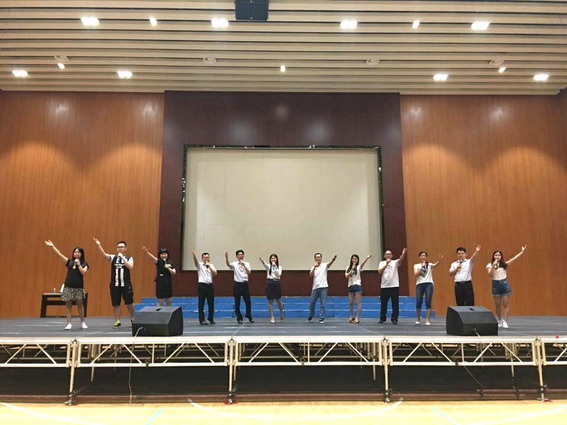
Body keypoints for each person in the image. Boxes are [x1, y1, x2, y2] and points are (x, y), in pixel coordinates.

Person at [44, 240, 89, 330]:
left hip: (79, 287)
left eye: (78, 252)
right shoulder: (69, 262)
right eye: (75, 252)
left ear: (81, 254)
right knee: (68, 305)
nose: (76, 253)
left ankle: (82, 322)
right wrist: (53, 246)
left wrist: (79, 264)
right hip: (68, 286)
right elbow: (59, 255)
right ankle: (69, 323)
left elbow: (83, 272)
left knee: (80, 305)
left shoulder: (84, 263)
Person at [94, 238, 135, 328]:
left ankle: (133, 317)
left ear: (125, 248)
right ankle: (117, 320)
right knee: (116, 303)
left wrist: (122, 257)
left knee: (129, 302)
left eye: (122, 247)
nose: (120, 248)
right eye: (118, 247)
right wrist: (98, 245)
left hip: (126, 284)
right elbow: (104, 255)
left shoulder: (129, 258)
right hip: (115, 285)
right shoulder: (113, 258)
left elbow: (130, 267)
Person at [486, 245, 527, 329]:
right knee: (497, 304)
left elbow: (514, 258)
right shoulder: (489, 265)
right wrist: (493, 265)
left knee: (506, 303)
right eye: (496, 255)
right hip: (495, 284)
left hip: (503, 283)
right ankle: (499, 320)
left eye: (499, 255)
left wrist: (522, 252)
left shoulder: (504, 264)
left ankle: (505, 321)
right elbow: (489, 274)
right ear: (493, 256)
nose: (497, 256)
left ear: (501, 256)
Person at [413, 252, 443, 325]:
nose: (423, 257)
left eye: (424, 256)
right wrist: (421, 267)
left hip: (429, 284)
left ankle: (428, 319)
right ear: (419, 257)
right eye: (422, 255)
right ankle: (418, 318)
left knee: (428, 301)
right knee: (419, 301)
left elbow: (436, 265)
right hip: (419, 284)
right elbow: (415, 274)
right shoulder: (416, 265)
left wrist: (440, 260)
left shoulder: (429, 265)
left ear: (426, 257)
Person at [378, 248, 407, 324]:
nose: (388, 255)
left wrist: (403, 253)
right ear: (384, 256)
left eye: (389, 254)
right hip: (384, 286)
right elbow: (379, 271)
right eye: (387, 254)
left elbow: (400, 260)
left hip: (394, 286)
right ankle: (382, 318)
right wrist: (386, 264)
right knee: (383, 303)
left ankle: (394, 318)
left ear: (392, 256)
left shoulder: (394, 262)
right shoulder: (381, 263)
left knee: (395, 303)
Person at [225, 249, 253, 324]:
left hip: (245, 284)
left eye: (241, 254)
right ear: (237, 256)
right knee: (237, 302)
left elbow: (249, 272)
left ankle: (249, 315)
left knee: (248, 302)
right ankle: (239, 318)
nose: (240, 256)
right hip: (237, 285)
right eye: (239, 255)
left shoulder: (247, 263)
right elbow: (228, 265)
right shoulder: (234, 264)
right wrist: (226, 258)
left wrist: (243, 265)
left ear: (243, 255)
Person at [308, 253, 337, 324]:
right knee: (312, 302)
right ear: (315, 258)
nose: (318, 259)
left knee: (323, 304)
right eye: (317, 257)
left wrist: (333, 259)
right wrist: (314, 267)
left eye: (319, 257)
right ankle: (311, 314)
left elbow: (329, 264)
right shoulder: (313, 267)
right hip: (315, 287)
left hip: (324, 287)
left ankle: (321, 318)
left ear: (321, 258)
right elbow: (311, 275)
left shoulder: (324, 265)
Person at [344, 254, 372, 324]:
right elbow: (346, 276)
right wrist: (352, 269)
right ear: (351, 260)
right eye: (353, 259)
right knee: (350, 302)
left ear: (357, 260)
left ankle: (357, 317)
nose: (354, 260)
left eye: (356, 259)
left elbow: (363, 263)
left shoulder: (359, 267)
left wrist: (367, 258)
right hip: (350, 285)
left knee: (358, 302)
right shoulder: (348, 267)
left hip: (357, 285)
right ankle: (351, 316)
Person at [193, 250, 217, 325]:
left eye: (207, 257)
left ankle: (211, 318)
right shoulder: (200, 265)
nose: (206, 259)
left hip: (210, 285)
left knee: (211, 303)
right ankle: (202, 319)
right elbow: (195, 261)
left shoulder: (211, 265)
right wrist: (194, 256)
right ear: (202, 259)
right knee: (201, 303)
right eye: (205, 258)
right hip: (202, 285)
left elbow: (215, 273)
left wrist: (209, 266)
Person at [259, 254, 284, 324]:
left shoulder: (279, 267)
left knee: (278, 300)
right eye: (272, 258)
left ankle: (281, 313)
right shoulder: (268, 266)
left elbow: (278, 274)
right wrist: (262, 261)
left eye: (274, 258)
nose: (273, 259)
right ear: (270, 259)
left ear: (276, 259)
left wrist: (275, 266)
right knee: (270, 300)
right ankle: (272, 317)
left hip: (276, 282)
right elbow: (264, 264)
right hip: (269, 282)